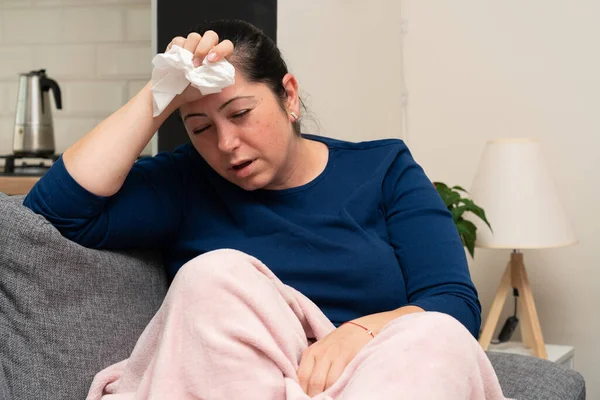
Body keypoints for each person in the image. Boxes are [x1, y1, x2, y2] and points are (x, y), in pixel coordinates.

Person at [24, 19, 505, 400]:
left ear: (288, 95)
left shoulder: (384, 168)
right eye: (200, 127)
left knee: (438, 336)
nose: (227, 144)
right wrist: (156, 96)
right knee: (212, 275)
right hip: (241, 382)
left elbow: (451, 303)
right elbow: (50, 213)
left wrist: (357, 333)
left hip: (374, 376)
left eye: (239, 114)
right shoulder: (186, 180)